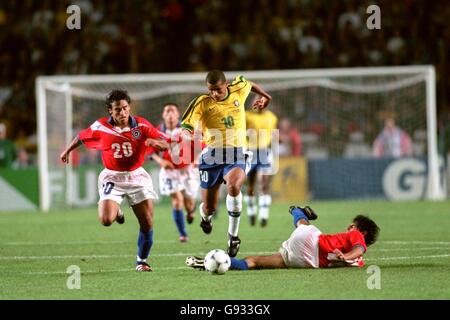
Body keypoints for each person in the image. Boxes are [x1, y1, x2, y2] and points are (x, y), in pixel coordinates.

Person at [60, 89, 169, 272]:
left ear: (129, 107)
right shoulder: (100, 126)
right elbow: (81, 136)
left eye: (125, 108)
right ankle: (117, 209)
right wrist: (67, 151)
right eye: (118, 109)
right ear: (110, 111)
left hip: (136, 177)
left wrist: (154, 143)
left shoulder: (141, 125)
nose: (123, 113)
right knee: (106, 220)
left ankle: (141, 261)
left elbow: (164, 142)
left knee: (147, 223)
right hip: (112, 176)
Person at [180, 70, 272, 257]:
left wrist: (266, 97)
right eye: (211, 90)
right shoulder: (202, 103)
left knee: (234, 185)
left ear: (226, 85)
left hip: (237, 153)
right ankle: (206, 218)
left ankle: (233, 236)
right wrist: (187, 136)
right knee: (209, 207)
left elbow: (249, 84)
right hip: (211, 158)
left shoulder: (238, 88)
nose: (214, 94)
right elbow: (186, 126)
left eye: (218, 90)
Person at [186, 205, 379, 270]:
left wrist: (347, 255)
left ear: (361, 232)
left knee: (303, 224)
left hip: (311, 242)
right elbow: (358, 255)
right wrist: (347, 258)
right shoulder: (359, 263)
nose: (349, 227)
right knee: (254, 262)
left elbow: (359, 248)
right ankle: (212, 263)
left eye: (352, 225)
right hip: (304, 262)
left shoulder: (356, 236)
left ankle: (296, 210)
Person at [149, 103, 202, 242]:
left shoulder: (186, 128)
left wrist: (196, 159)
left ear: (178, 114)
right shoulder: (157, 131)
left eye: (173, 111)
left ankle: (191, 211)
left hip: (187, 169)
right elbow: (150, 151)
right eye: (167, 111)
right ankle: (183, 234)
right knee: (177, 200)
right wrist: (161, 162)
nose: (170, 114)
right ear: (163, 115)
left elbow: (200, 145)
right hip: (169, 171)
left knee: (189, 203)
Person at [245, 107, 278, 227]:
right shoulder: (246, 115)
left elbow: (273, 132)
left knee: (264, 184)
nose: (259, 103)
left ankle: (264, 215)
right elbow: (239, 130)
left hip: (265, 152)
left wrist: (278, 138)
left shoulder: (272, 117)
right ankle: (251, 211)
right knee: (251, 186)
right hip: (250, 152)